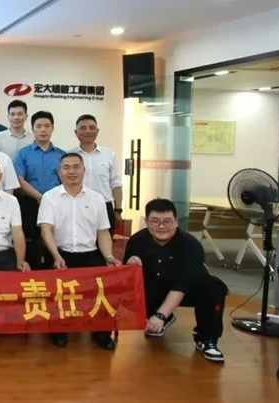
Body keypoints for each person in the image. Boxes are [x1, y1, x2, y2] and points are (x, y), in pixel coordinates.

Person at [124, 198, 229, 363]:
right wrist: (131, 265)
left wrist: (160, 315)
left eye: (167, 221)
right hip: (155, 288)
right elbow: (127, 279)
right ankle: (161, 317)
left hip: (185, 290)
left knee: (213, 287)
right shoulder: (137, 241)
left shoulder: (191, 245)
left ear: (176, 222)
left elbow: (182, 285)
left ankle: (207, 339)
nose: (161, 226)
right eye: (155, 221)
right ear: (147, 222)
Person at [38, 153, 121, 350]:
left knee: (104, 289)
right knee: (56, 291)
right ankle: (59, 330)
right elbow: (46, 230)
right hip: (61, 253)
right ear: (59, 172)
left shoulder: (97, 198)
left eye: (76, 167)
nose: (71, 172)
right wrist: (56, 256)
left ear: (84, 170)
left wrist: (109, 256)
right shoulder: (50, 197)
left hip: (90, 253)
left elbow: (103, 232)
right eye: (66, 167)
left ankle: (102, 333)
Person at [14, 111, 65, 268]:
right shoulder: (23, 153)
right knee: (32, 246)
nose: (43, 130)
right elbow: (19, 179)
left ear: (52, 128)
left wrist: (50, 200)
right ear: (33, 129)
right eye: (39, 126)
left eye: (47, 126)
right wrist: (40, 197)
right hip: (31, 204)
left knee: (55, 242)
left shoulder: (62, 155)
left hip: (57, 205)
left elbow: (66, 180)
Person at [69, 114, 123, 234]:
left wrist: (118, 209)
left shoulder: (109, 154)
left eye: (92, 128)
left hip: (104, 207)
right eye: (83, 128)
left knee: (105, 241)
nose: (88, 131)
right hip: (77, 206)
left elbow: (116, 183)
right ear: (76, 132)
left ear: (97, 131)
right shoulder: (69, 156)